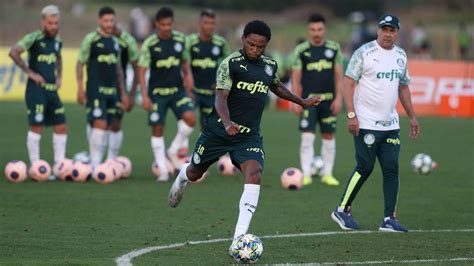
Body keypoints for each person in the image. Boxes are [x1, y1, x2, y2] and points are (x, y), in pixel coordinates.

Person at [167, 20, 321, 254]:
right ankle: (182, 176)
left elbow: (276, 86)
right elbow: (220, 97)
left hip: (248, 137)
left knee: (254, 173)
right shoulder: (231, 64)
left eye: (260, 47)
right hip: (218, 132)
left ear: (266, 45)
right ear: (243, 39)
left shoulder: (269, 65)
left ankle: (238, 239)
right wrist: (227, 123)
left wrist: (301, 100)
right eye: (251, 45)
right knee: (195, 173)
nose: (255, 50)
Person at [331, 14, 419, 232]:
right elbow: (348, 83)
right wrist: (351, 115)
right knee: (365, 166)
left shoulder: (401, 55)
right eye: (384, 30)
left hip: (390, 124)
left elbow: (404, 87)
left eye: (392, 30)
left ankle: (389, 218)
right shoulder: (364, 52)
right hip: (366, 122)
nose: (388, 34)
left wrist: (412, 116)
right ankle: (342, 209)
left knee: (391, 169)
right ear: (378, 30)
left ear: (397, 33)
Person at [138, 7, 196, 181]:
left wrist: (189, 79)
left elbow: (185, 64)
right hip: (156, 94)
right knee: (157, 129)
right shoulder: (150, 43)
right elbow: (141, 71)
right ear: (157, 24)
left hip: (177, 91)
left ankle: (173, 150)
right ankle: (163, 170)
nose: (166, 27)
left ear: (172, 23)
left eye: (169, 24)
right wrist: (145, 96)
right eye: (163, 24)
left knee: (191, 118)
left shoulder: (180, 40)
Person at [9, 5, 67, 165]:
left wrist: (59, 76)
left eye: (56, 23)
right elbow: (14, 52)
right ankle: (36, 165)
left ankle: (60, 166)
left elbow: (59, 58)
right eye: (50, 23)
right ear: (43, 22)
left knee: (61, 125)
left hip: (52, 90)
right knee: (37, 126)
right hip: (36, 91)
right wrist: (30, 72)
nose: (54, 27)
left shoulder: (58, 41)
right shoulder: (34, 38)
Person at [291, 13, 343, 186]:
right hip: (308, 101)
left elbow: (338, 76)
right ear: (308, 30)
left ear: (324, 29)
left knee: (328, 135)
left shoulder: (334, 48)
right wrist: (295, 100)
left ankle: (327, 174)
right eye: (313, 29)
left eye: (319, 29)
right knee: (307, 137)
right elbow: (296, 78)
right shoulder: (302, 50)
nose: (316, 33)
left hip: (328, 100)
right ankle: (305, 174)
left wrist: (338, 99)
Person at [76, 6, 129, 168]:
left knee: (109, 124)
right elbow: (80, 63)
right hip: (95, 90)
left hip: (112, 91)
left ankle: (104, 161)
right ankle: (95, 165)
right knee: (99, 123)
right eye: (106, 20)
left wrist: (123, 93)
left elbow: (118, 69)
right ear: (99, 21)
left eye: (112, 20)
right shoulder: (91, 39)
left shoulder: (115, 42)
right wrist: (79, 88)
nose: (109, 24)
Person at [186, 9, 229, 129]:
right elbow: (184, 65)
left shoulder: (221, 43)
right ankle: (177, 148)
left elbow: (227, 66)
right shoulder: (190, 42)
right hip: (193, 90)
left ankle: (202, 148)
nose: (209, 26)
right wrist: (187, 86)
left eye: (212, 23)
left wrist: (220, 83)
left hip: (211, 91)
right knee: (187, 121)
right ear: (199, 23)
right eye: (206, 22)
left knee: (207, 126)